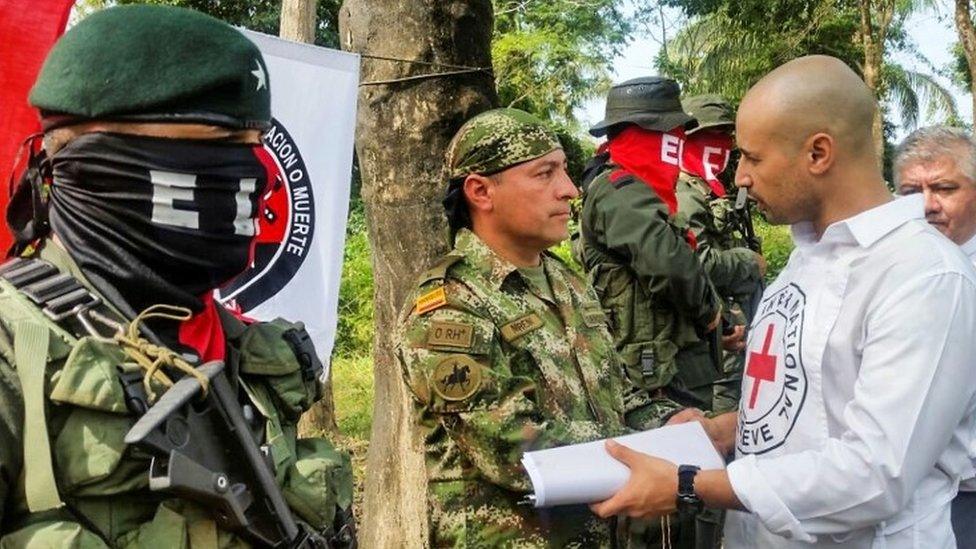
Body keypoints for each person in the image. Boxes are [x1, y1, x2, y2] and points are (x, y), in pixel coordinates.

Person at [0, 6, 354, 547]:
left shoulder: (251, 350)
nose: (252, 175)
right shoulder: (13, 348)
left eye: (253, 146)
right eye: (214, 146)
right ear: (88, 152)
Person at [590, 55, 976, 548]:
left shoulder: (923, 275)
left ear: (818, 153)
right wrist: (723, 432)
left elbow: (876, 473)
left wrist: (689, 486)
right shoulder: (807, 258)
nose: (741, 178)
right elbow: (807, 409)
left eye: (753, 157)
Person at [396, 107, 676, 547]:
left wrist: (678, 424)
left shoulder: (567, 282)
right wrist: (658, 451)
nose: (569, 190)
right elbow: (514, 446)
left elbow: (621, 397)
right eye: (545, 174)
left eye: (565, 171)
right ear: (481, 191)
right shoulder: (449, 305)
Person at [578, 77, 740, 549]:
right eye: (670, 134)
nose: (677, 145)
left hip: (674, 357)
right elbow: (669, 266)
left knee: (689, 488)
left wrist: (720, 326)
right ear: (643, 132)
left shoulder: (642, 190)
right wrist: (713, 314)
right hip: (653, 369)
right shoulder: (619, 189)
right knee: (666, 503)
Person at [894, 126, 976, 546]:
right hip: (911, 500)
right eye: (909, 192)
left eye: (944, 188)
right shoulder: (890, 274)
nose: (926, 206)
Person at [676, 94, 765, 413]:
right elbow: (696, 262)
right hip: (719, 332)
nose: (721, 145)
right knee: (726, 412)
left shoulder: (708, 188)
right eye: (710, 137)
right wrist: (749, 262)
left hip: (735, 322)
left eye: (725, 137)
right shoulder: (683, 193)